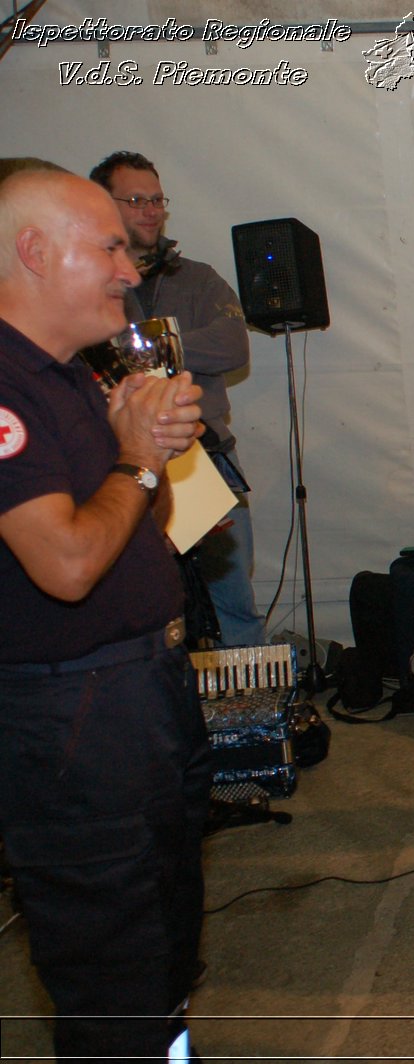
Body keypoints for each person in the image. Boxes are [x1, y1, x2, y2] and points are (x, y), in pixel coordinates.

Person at [0, 166, 209, 1061]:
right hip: (73, 718)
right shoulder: (5, 388)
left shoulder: (74, 374)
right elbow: (71, 564)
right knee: (108, 960)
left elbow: (147, 527)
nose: (130, 267)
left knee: (164, 933)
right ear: (34, 251)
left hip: (140, 691)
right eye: (110, 245)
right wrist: (135, 456)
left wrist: (152, 450)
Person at [88, 150, 262, 647]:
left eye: (158, 200)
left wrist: (147, 344)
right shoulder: (91, 282)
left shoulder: (198, 277)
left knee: (234, 602)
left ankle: (252, 717)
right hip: (120, 466)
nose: (151, 210)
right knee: (143, 601)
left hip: (204, 462)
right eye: (136, 199)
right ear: (105, 205)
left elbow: (232, 344)